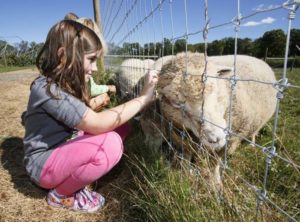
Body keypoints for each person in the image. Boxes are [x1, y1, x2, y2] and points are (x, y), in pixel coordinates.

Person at [22, 19, 158, 213]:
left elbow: (87, 116)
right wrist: (144, 98)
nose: (95, 68)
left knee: (121, 127)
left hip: (63, 148)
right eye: (91, 59)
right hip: (43, 166)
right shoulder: (47, 89)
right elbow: (96, 123)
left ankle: (78, 176)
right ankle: (61, 195)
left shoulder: (64, 82)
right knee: (108, 144)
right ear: (64, 56)